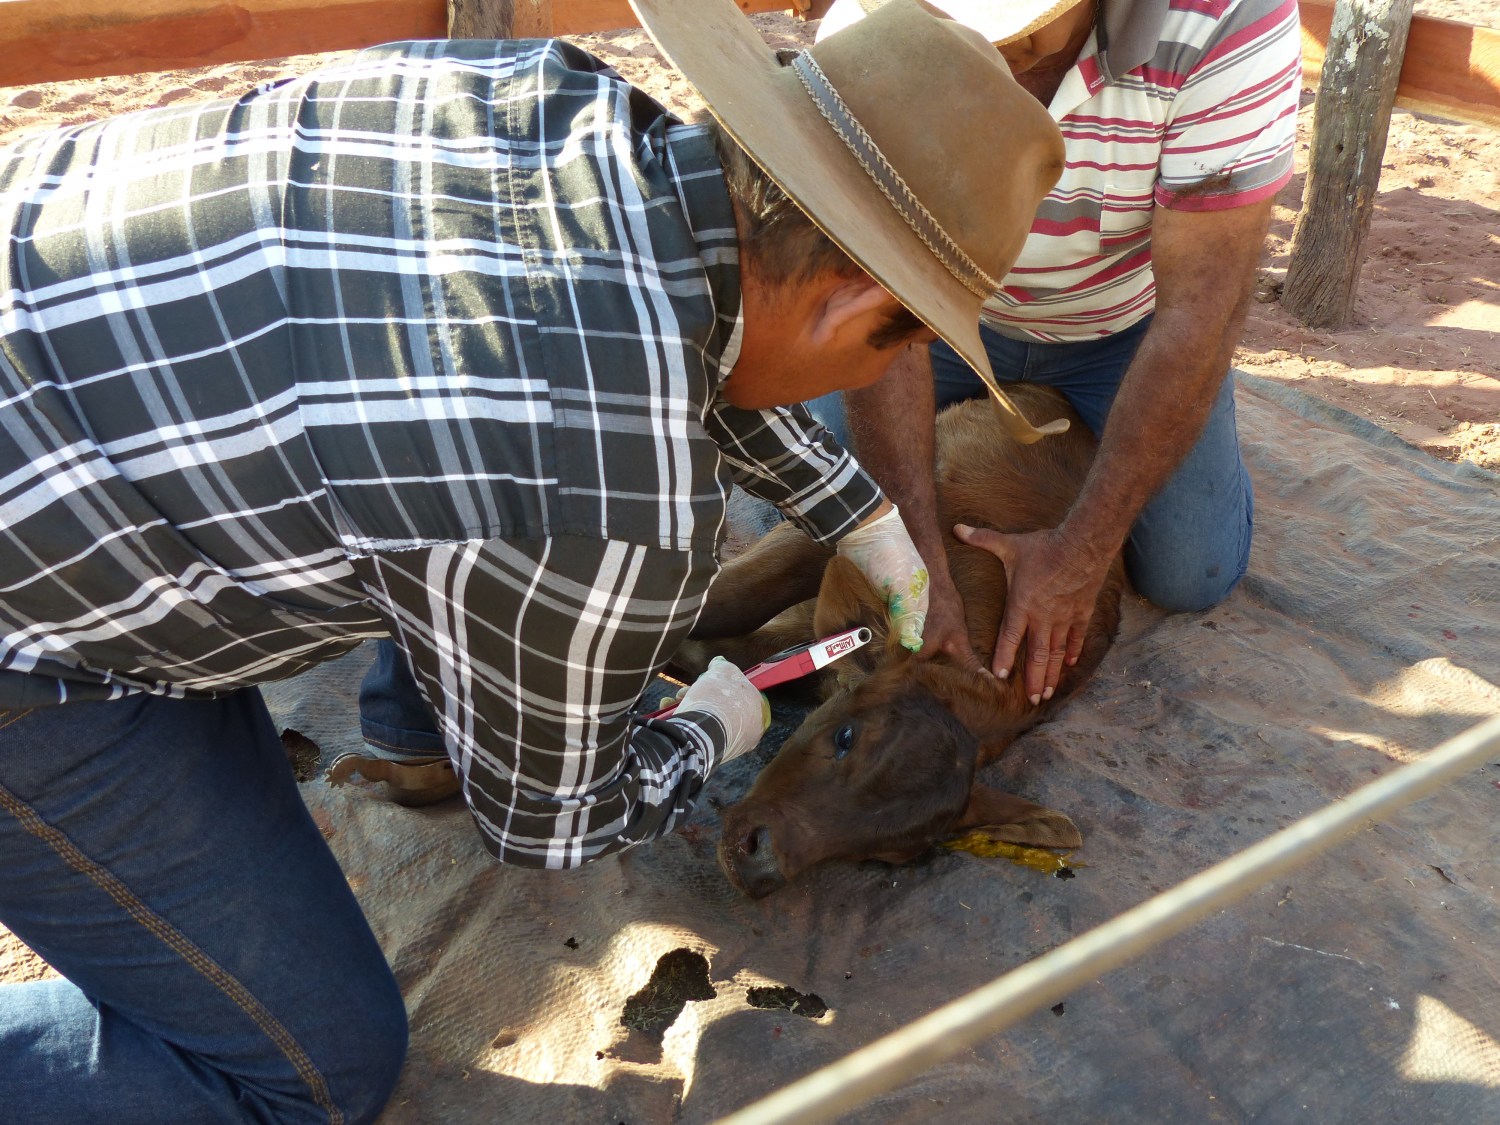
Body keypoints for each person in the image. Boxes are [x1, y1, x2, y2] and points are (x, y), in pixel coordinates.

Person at [0, 0, 1064, 1118]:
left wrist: (860, 510)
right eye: (884, 346)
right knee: (310, 1072)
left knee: (423, 500)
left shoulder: (553, 100)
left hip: (63, 376)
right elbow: (554, 822)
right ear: (855, 297)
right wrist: (716, 722)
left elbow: (702, 341)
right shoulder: (598, 500)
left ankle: (418, 721)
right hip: (39, 636)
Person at [813, 0, 1301, 705]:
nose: (985, 41)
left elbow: (1200, 314)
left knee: (1192, 572)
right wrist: (919, 559)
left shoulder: (1232, 19)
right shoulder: (873, 25)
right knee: (838, 509)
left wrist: (1080, 553)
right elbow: (882, 284)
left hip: (1127, 330)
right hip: (941, 311)